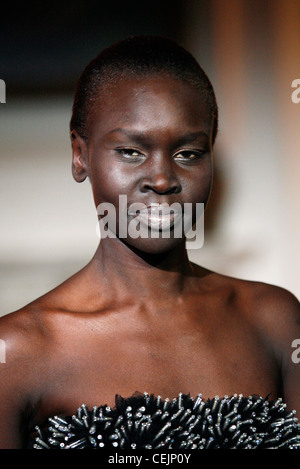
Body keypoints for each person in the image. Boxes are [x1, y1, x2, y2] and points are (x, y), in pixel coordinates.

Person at [0, 36, 299, 450]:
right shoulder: (18, 351)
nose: (161, 179)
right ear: (80, 155)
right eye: (130, 151)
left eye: (189, 154)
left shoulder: (274, 321)